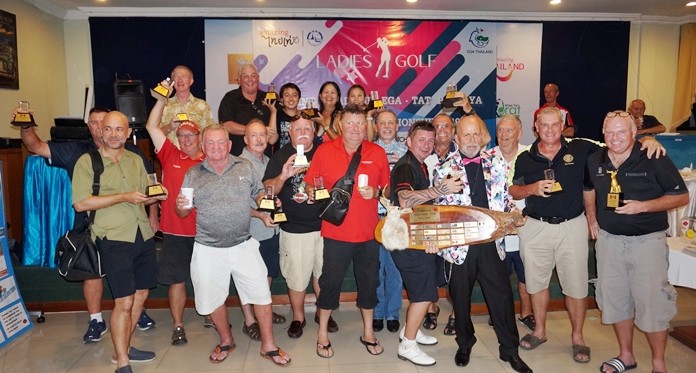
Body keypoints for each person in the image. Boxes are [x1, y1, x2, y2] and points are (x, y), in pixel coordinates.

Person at [509, 106, 665, 364]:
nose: (549, 130)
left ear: (563, 127)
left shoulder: (581, 148)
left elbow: (616, 142)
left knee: (576, 286)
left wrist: (645, 139)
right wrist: (532, 188)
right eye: (544, 125)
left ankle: (578, 337)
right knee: (536, 284)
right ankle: (539, 330)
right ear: (536, 127)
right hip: (535, 227)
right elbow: (514, 190)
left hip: (572, 225)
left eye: (554, 125)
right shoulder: (526, 157)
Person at [16, 106, 158, 343]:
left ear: (124, 132)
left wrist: (153, 212)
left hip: (132, 226)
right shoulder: (77, 152)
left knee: (133, 285)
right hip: (92, 226)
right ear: (94, 128)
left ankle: (134, 315)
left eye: (115, 126)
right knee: (92, 274)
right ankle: (96, 320)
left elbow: (150, 186)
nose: (108, 131)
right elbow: (35, 146)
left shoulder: (133, 153)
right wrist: (25, 125)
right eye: (98, 123)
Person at [174, 124, 290, 366]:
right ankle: (226, 339)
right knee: (212, 298)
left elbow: (258, 193)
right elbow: (183, 212)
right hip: (207, 248)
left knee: (261, 295)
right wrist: (181, 205)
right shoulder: (193, 174)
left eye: (220, 142)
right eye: (210, 143)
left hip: (243, 245)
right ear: (203, 147)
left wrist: (265, 200)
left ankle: (268, 345)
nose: (216, 147)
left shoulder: (244, 167)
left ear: (229, 145)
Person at [584, 111, 687, 373]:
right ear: (603, 134)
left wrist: (644, 206)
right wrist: (592, 219)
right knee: (616, 300)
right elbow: (589, 189)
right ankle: (626, 356)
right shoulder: (595, 158)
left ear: (633, 133)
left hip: (647, 243)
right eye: (609, 132)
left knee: (653, 303)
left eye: (621, 132)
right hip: (609, 242)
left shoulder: (653, 156)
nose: (615, 137)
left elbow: (680, 196)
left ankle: (658, 364)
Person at [432, 111, 532, 373]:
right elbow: (438, 209)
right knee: (461, 300)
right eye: (466, 134)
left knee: (501, 298)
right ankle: (465, 343)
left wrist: (515, 215)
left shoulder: (496, 163)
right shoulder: (444, 168)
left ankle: (509, 350)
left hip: (491, 243)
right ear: (457, 137)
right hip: (459, 247)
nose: (472, 138)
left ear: (482, 136)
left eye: (476, 133)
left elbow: (504, 199)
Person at [72, 111, 167, 373]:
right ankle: (122, 363)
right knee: (123, 301)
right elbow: (81, 203)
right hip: (112, 237)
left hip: (142, 235)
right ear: (101, 132)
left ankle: (122, 348)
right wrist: (122, 196)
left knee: (141, 294)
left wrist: (157, 196)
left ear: (128, 133)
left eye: (119, 130)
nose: (114, 134)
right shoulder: (87, 161)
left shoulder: (136, 160)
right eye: (109, 129)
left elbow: (143, 197)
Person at [304, 104, 390, 358]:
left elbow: (388, 190)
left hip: (368, 234)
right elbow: (311, 182)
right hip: (336, 232)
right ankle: (322, 334)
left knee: (369, 284)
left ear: (367, 126)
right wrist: (311, 193)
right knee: (329, 284)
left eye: (360, 123)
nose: (355, 128)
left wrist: (375, 192)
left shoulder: (377, 152)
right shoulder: (325, 150)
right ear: (340, 125)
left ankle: (368, 332)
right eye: (350, 123)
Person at [390, 120, 461, 366]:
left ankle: (411, 329)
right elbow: (405, 199)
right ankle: (407, 344)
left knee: (423, 289)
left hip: (418, 239)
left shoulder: (419, 165)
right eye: (421, 140)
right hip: (407, 242)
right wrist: (438, 190)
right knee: (422, 294)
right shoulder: (405, 166)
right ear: (409, 141)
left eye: (430, 141)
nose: (426, 144)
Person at [263, 112, 330, 339]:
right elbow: (268, 188)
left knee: (322, 275)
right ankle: (298, 317)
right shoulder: (280, 155)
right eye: (298, 129)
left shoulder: (325, 153)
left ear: (314, 131)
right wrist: (283, 176)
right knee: (296, 277)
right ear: (289, 132)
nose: (303, 133)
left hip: (324, 227)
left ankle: (323, 314)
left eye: (307, 129)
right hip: (293, 229)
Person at [145, 95, 205, 346]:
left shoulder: (210, 159)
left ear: (200, 137)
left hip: (206, 232)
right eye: (182, 136)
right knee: (177, 279)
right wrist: (160, 100)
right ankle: (178, 324)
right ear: (176, 139)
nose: (187, 139)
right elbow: (151, 127)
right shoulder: (170, 154)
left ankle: (213, 315)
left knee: (208, 278)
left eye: (191, 135)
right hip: (175, 231)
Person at [238, 119, 286, 341]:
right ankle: (250, 320)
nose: (259, 139)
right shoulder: (238, 165)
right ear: (246, 139)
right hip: (250, 232)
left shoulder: (270, 161)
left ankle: (262, 309)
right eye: (253, 135)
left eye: (262, 135)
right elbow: (237, 205)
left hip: (270, 231)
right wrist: (261, 215)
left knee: (266, 274)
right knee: (247, 277)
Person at [489, 115, 535, 331]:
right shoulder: (487, 157)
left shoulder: (531, 155)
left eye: (509, 130)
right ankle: (500, 312)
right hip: (497, 229)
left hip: (526, 226)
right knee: (499, 275)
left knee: (526, 274)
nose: (504, 135)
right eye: (501, 130)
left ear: (519, 132)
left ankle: (526, 313)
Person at [422, 112, 459, 335]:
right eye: (437, 127)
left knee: (456, 269)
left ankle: (456, 313)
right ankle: (430, 308)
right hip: (428, 219)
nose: (442, 131)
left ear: (454, 131)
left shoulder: (463, 153)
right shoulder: (423, 154)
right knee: (428, 265)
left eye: (446, 126)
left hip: (454, 221)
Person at [372, 109, 406, 333]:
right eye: (382, 123)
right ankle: (376, 312)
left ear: (397, 126)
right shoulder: (368, 151)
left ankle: (393, 312)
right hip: (373, 217)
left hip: (397, 218)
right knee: (375, 268)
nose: (386, 127)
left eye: (390, 123)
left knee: (395, 269)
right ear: (376, 127)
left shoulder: (406, 152)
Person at [218, 63, 278, 156]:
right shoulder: (230, 98)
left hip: (265, 159)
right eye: (245, 76)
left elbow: (273, 136)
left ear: (258, 79)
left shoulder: (268, 98)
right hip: (237, 159)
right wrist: (257, 131)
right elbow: (226, 125)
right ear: (239, 80)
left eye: (253, 76)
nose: (250, 79)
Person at [157, 65, 214, 148]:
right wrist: (170, 127)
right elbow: (154, 134)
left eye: (184, 77)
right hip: (171, 156)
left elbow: (210, 134)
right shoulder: (163, 105)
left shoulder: (202, 105)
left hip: (196, 157)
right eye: (176, 77)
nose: (180, 80)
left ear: (191, 81)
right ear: (172, 82)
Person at [275, 82, 301, 148]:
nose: (291, 98)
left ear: (299, 99)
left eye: (294, 95)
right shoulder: (275, 115)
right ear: (281, 99)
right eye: (287, 95)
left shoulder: (305, 117)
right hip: (281, 156)